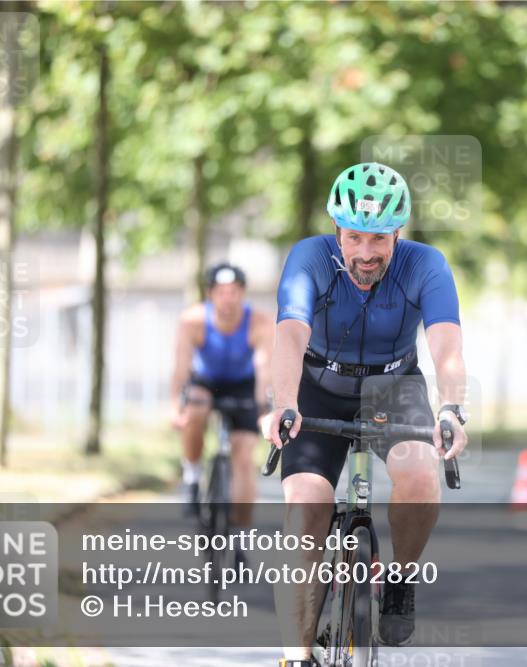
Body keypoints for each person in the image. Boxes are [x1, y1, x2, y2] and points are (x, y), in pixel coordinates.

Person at [265, 162, 468, 665]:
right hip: (317, 386)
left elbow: (446, 345)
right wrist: (284, 402)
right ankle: (296, 655)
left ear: (398, 233)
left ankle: (398, 579)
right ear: (337, 230)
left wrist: (451, 408)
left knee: (421, 480)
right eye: (354, 237)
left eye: (379, 239)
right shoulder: (309, 257)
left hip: (393, 386)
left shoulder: (426, 264)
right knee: (306, 508)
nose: (366, 253)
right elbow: (290, 333)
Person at [170, 263, 274, 520]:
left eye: (234, 292)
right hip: (206, 382)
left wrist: (263, 409)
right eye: (221, 292)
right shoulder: (193, 320)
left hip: (244, 386)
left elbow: (264, 370)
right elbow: (181, 368)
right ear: (210, 294)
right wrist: (175, 405)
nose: (228, 299)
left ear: (243, 293)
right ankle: (192, 478)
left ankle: (239, 535)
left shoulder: (259, 322)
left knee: (244, 455)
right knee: (196, 408)